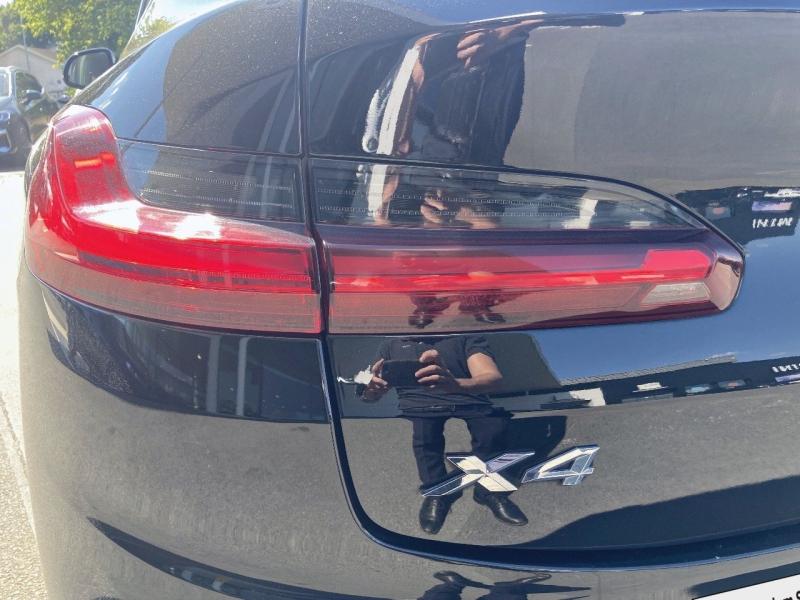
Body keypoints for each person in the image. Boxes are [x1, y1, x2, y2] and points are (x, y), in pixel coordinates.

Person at [361, 335, 527, 534]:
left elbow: (492, 377)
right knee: (424, 439)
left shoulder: (464, 337)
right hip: (417, 404)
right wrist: (370, 388)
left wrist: (456, 385)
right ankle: (438, 492)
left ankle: (490, 492)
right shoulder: (390, 344)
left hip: (467, 398)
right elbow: (366, 388)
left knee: (492, 430)